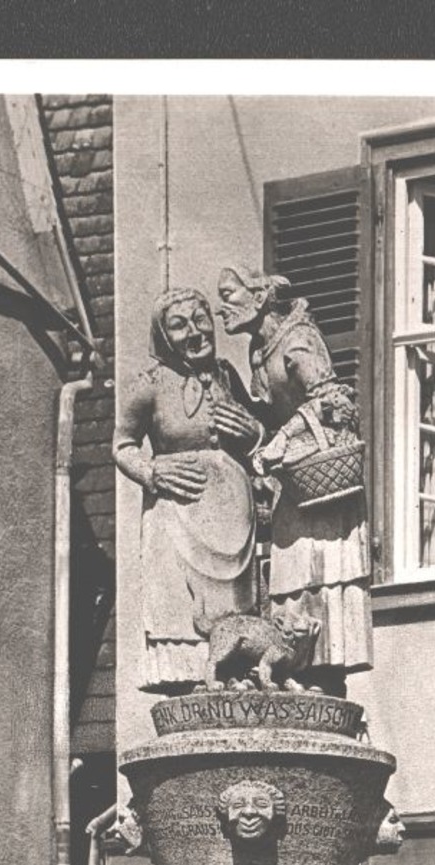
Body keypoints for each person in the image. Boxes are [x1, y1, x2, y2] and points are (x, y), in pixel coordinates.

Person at [216, 266, 373, 691]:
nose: (220, 308)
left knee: (319, 579)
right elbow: (272, 416)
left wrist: (282, 436)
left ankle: (325, 676)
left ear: (261, 296)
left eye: (229, 295)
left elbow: (336, 401)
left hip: (322, 487)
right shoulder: (259, 350)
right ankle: (299, 674)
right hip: (294, 481)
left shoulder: (297, 341)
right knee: (291, 582)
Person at [113, 287, 263, 692]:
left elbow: (258, 431)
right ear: (163, 336)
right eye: (179, 326)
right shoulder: (149, 384)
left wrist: (253, 433)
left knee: (235, 599)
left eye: (201, 320)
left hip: (232, 509)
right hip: (179, 506)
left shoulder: (227, 376)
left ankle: (234, 670)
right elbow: (122, 445)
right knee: (182, 602)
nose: (195, 332)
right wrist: (151, 473)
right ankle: (188, 676)